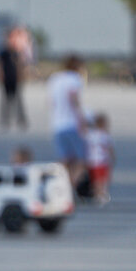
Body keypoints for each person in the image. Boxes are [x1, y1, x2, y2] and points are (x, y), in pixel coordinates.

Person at [46, 55, 87, 189]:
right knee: (80, 159)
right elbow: (73, 99)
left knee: (64, 159)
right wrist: (82, 119)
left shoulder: (55, 79)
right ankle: (71, 186)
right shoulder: (74, 79)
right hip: (71, 123)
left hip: (57, 123)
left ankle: (57, 185)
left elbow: (52, 102)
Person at [0, 27, 27, 131]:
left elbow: (20, 65)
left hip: (15, 79)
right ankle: (5, 119)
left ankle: (20, 119)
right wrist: (0, 76)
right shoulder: (3, 52)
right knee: (5, 101)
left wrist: (21, 76)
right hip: (7, 78)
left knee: (18, 100)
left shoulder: (16, 52)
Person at [85, 112, 115, 205]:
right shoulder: (105, 135)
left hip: (92, 161)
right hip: (102, 161)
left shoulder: (90, 135)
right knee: (102, 180)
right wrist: (113, 158)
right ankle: (101, 195)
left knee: (95, 180)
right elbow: (110, 148)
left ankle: (98, 194)